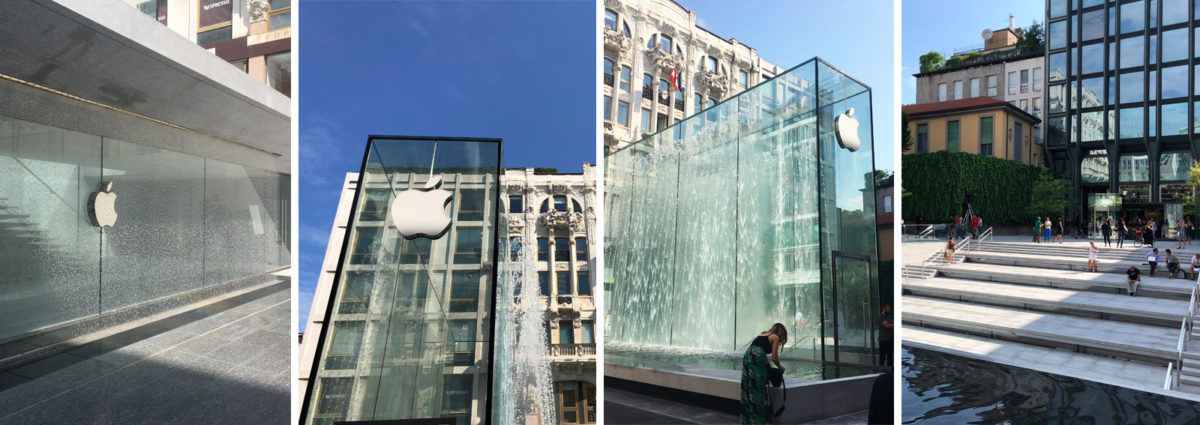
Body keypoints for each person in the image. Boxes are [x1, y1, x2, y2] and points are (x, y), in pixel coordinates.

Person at [741, 323, 788, 424]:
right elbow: (775, 358)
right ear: (781, 333)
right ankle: (757, 422)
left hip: (748, 355)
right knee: (757, 389)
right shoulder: (774, 337)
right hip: (757, 357)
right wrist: (781, 367)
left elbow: (756, 347)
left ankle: (747, 421)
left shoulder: (764, 334)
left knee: (748, 388)